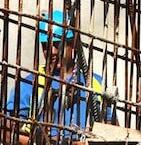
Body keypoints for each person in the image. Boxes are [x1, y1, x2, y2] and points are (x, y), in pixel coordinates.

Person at [5, 11, 113, 145]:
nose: (52, 51)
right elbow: (6, 131)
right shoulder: (29, 83)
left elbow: (112, 131)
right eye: (46, 46)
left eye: (58, 45)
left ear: (72, 44)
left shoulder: (95, 83)